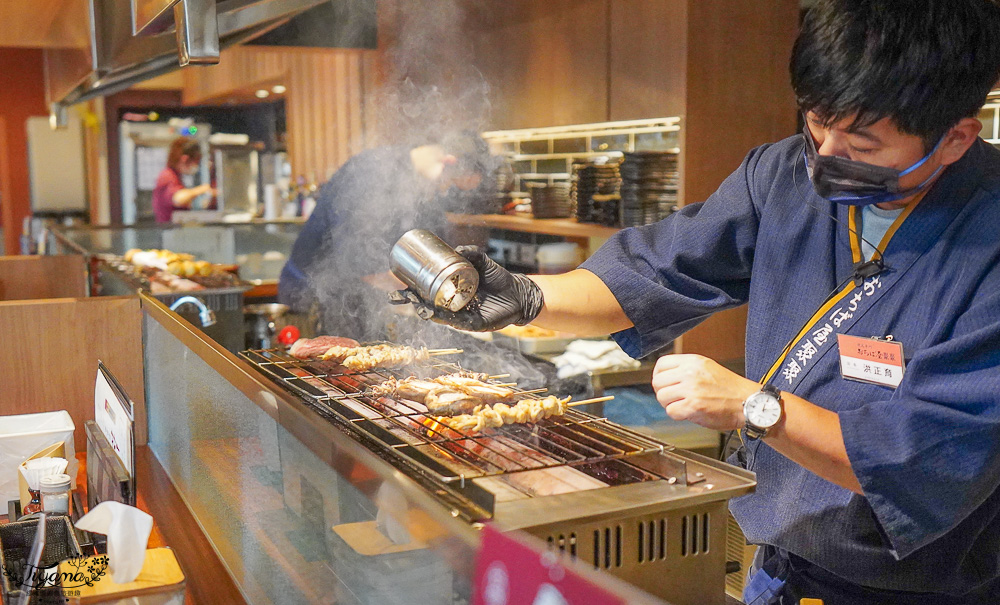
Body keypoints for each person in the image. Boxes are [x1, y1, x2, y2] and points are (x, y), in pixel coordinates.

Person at [399, 0, 1000, 602]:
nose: (824, 158)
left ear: (954, 138)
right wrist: (526, 297)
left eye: (862, 147)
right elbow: (657, 269)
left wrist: (757, 408)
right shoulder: (780, 176)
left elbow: (928, 458)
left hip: (919, 588)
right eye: (817, 123)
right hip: (781, 563)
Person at [278, 134, 497, 341]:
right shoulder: (370, 173)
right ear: (448, 162)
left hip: (365, 300)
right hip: (312, 299)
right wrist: (434, 294)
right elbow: (360, 263)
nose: (444, 192)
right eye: (449, 184)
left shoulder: (423, 190)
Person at [152, 137, 215, 223]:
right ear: (184, 159)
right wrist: (203, 189)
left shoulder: (175, 176)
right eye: (196, 162)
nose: (196, 166)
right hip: (171, 230)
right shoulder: (168, 176)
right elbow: (178, 198)